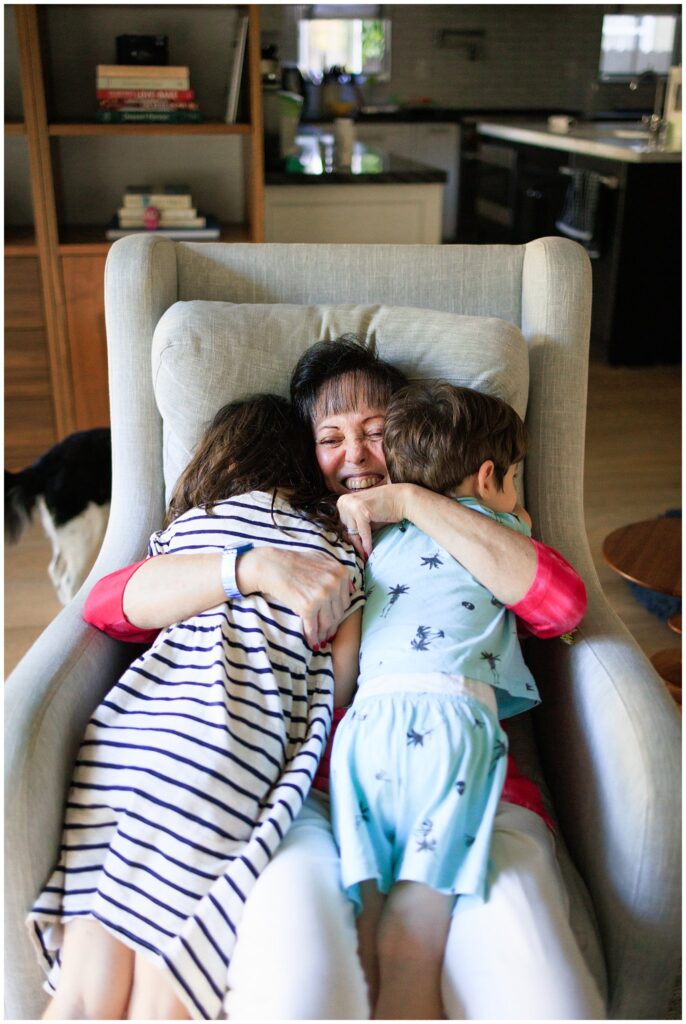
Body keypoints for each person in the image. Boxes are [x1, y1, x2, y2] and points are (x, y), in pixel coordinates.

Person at [82, 337, 605, 1019]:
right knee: (309, 992)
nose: (354, 456)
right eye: (330, 438)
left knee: (545, 1001)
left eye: (376, 433)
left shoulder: (465, 520)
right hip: (317, 798)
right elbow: (108, 606)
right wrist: (250, 567)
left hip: (473, 786)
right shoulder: (289, 533)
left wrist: (417, 504)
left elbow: (559, 605)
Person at [27, 394, 364, 1021]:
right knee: (165, 984)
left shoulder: (187, 533)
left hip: (131, 737)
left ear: (215, 459)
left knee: (82, 988)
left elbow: (119, 609)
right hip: (231, 744)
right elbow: (341, 684)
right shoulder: (335, 552)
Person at [330, 381, 541, 1019]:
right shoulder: (499, 532)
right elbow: (549, 595)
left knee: (365, 923)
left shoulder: (372, 537)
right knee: (416, 934)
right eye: (514, 479)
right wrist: (514, 517)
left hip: (361, 728)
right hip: (451, 722)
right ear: (488, 477)